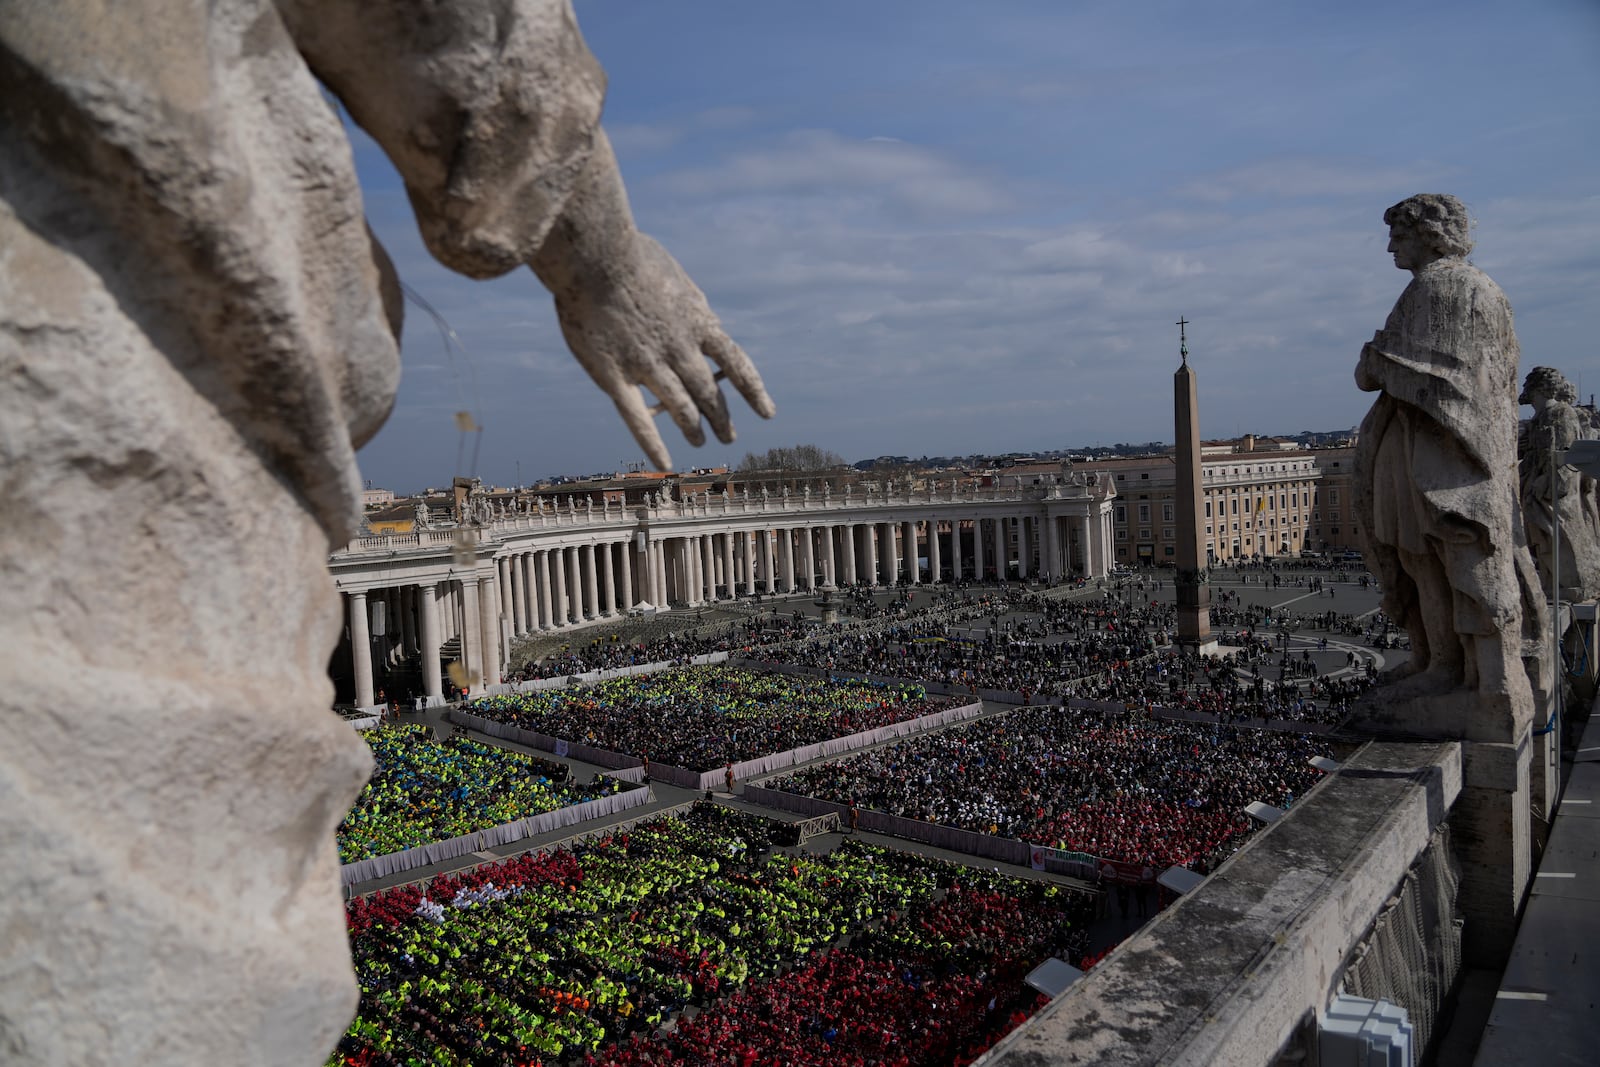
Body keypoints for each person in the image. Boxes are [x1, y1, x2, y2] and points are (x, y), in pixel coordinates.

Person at [1352, 193, 1543, 714]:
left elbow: (1433, 376)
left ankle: (1452, 667)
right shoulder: (1482, 291)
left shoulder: (1440, 290)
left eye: (1398, 234)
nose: (1391, 244)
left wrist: (1376, 361)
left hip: (1436, 453)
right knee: (1424, 556)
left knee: (1433, 554)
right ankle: (1451, 662)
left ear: (1427, 235)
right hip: (1430, 446)